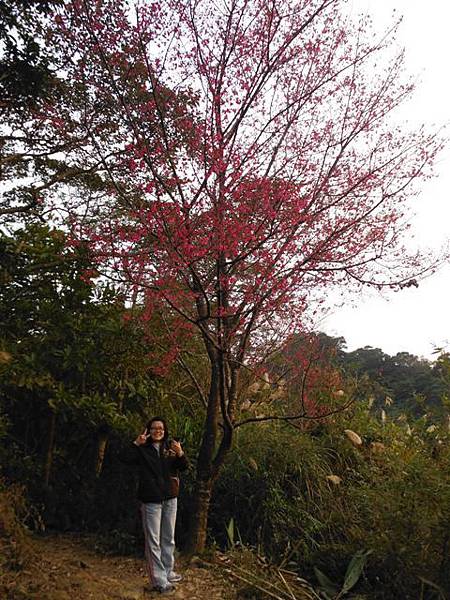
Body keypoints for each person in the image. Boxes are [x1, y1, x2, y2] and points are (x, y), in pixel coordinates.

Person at [122, 416, 188, 594]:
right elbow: (125, 459)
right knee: (153, 541)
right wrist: (136, 443)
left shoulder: (170, 448)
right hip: (151, 499)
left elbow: (183, 467)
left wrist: (180, 452)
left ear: (165, 430)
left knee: (169, 537)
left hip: (170, 498)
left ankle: (167, 570)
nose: (157, 431)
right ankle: (158, 579)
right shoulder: (142, 449)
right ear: (148, 431)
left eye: (160, 428)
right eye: (154, 428)